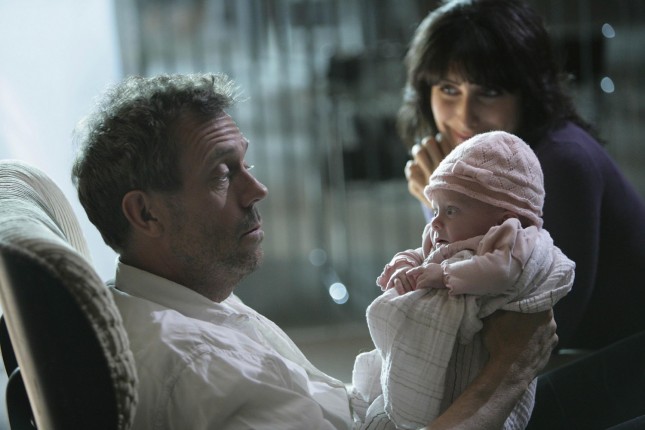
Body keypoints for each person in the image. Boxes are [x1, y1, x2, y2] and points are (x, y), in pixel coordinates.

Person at [71, 72, 557, 429]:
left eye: (245, 164)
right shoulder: (201, 368)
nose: (256, 189)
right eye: (221, 174)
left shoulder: (184, 298)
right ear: (146, 214)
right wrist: (508, 371)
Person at [398, 0, 645, 351]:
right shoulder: (484, 164)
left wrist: (441, 200)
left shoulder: (562, 161)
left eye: (490, 92)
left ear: (527, 94)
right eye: (449, 89)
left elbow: (532, 334)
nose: (465, 116)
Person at [351, 131, 574, 429]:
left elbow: (500, 271)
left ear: (503, 218)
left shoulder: (513, 239)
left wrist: (444, 275)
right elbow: (422, 254)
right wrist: (403, 265)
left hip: (472, 368)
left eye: (451, 210)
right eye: (435, 209)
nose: (436, 221)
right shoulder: (444, 235)